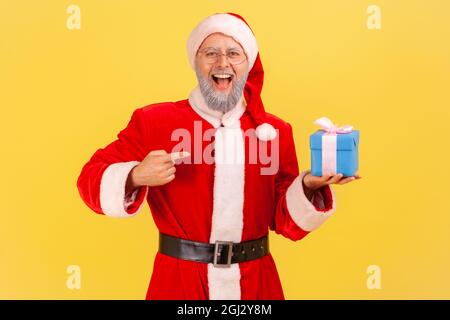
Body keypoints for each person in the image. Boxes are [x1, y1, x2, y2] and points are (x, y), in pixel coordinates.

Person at [77, 12, 360, 300]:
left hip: (256, 285)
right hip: (178, 284)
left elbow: (286, 223)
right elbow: (89, 178)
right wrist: (136, 175)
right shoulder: (154, 122)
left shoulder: (275, 131)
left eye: (234, 54)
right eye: (210, 53)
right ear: (195, 62)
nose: (222, 63)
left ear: (247, 64)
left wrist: (309, 186)